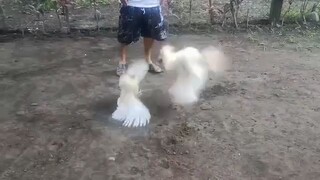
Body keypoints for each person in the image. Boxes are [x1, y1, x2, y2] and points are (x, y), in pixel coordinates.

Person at [116, 0, 168, 76]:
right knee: (126, 35)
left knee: (150, 34)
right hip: (131, 4)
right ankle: (122, 62)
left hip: (153, 5)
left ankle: (148, 61)